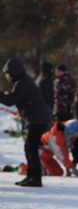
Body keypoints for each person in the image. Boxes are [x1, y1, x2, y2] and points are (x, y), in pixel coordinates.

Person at [0, 58, 53, 187]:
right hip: (37, 118)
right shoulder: (24, 81)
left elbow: (10, 100)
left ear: (14, 72)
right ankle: (31, 176)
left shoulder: (22, 83)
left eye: (8, 74)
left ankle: (35, 177)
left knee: (30, 147)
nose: (7, 77)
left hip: (37, 119)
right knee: (30, 147)